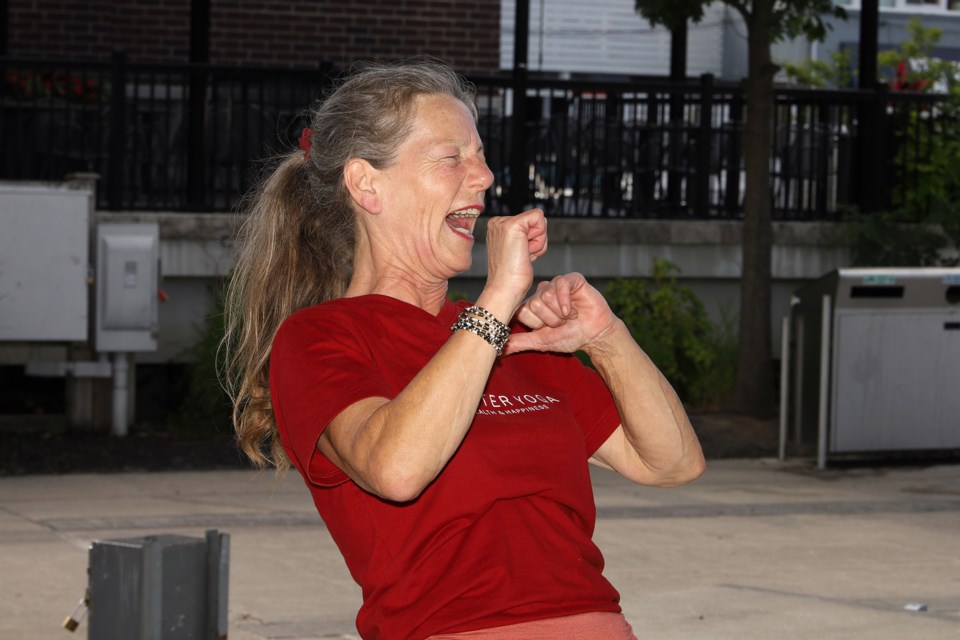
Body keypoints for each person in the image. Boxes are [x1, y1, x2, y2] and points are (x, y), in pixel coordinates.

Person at [222, 59, 705, 640]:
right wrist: (500, 296)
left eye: (479, 155)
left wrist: (606, 337)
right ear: (366, 185)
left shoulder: (511, 339)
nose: (485, 177)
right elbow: (397, 469)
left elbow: (672, 463)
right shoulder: (320, 338)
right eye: (452, 158)